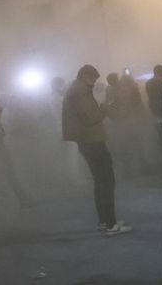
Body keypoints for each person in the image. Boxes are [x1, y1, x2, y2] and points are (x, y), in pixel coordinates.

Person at [62, 64, 132, 236]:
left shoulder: (75, 89)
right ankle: (111, 224)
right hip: (92, 140)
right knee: (106, 181)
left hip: (86, 140)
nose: (94, 83)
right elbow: (90, 117)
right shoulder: (80, 91)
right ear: (85, 76)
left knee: (100, 181)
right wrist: (104, 109)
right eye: (93, 79)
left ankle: (105, 221)